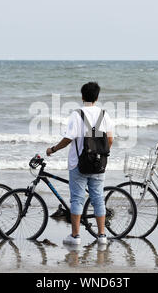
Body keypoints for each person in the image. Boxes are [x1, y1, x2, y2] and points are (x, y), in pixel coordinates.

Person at [46, 82, 114, 245]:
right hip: (99, 164)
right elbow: (110, 140)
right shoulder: (104, 115)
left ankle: (75, 236)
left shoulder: (77, 114)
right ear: (97, 97)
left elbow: (68, 139)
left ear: (82, 96)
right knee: (98, 198)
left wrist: (53, 149)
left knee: (77, 199)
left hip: (78, 164)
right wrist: (98, 154)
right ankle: (102, 235)